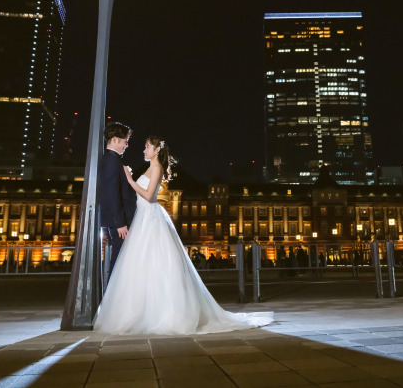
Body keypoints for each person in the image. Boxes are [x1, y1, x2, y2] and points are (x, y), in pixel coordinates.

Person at [94, 136, 273, 335]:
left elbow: (148, 195)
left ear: (157, 149)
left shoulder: (157, 169)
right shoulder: (148, 168)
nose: (143, 150)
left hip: (151, 218)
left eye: (146, 147)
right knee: (142, 265)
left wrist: (128, 179)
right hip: (142, 219)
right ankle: (143, 311)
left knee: (157, 264)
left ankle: (162, 313)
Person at [98, 122, 137, 281]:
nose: (127, 145)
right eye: (125, 140)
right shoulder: (111, 160)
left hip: (121, 221)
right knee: (119, 260)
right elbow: (112, 193)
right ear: (114, 140)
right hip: (120, 223)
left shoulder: (113, 159)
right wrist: (120, 222)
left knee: (122, 259)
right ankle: (111, 297)